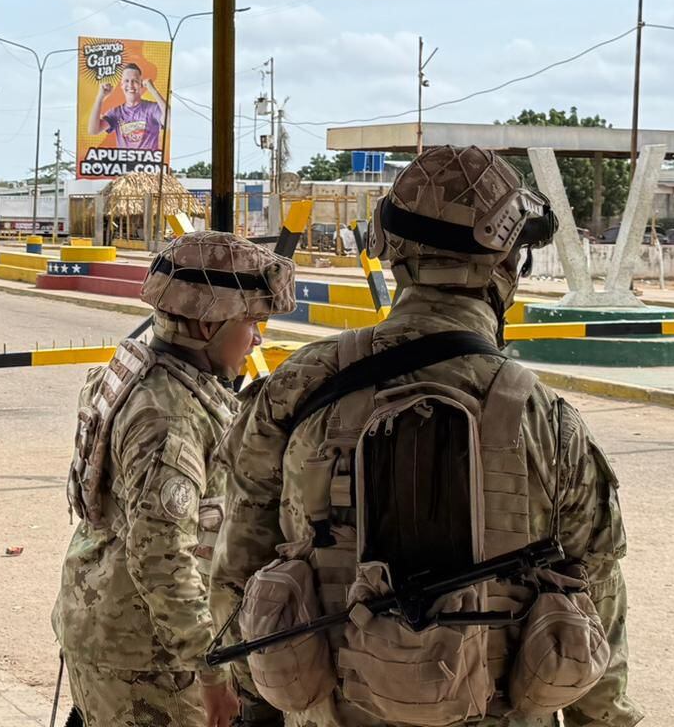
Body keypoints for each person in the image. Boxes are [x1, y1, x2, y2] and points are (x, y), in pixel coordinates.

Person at [211, 145, 641, 727]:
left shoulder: (298, 389)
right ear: (510, 268)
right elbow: (595, 602)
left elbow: (239, 567)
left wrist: (255, 707)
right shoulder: (548, 420)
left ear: (390, 254)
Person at [53, 230, 296, 727]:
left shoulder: (139, 371)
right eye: (251, 321)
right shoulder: (172, 418)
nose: (258, 338)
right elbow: (159, 555)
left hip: (107, 623)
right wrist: (211, 672)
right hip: (147, 658)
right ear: (208, 325)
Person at [87, 63, 164, 150]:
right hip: (124, 163)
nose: (130, 85)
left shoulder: (152, 108)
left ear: (141, 85)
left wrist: (153, 90)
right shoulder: (116, 113)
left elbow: (169, 121)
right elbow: (93, 131)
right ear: (122, 85)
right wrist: (100, 97)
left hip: (149, 163)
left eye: (135, 81)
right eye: (126, 81)